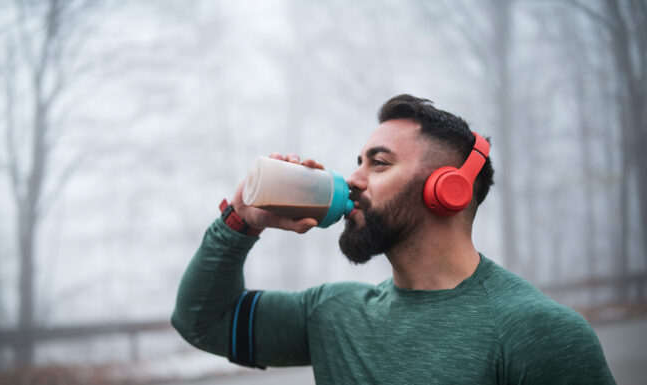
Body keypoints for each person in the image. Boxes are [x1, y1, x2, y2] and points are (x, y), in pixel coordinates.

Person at [171, 95, 616, 384]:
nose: (353, 179)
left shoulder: (538, 332)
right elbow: (203, 322)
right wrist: (240, 221)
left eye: (379, 164)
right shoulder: (333, 314)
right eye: (358, 162)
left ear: (447, 190)